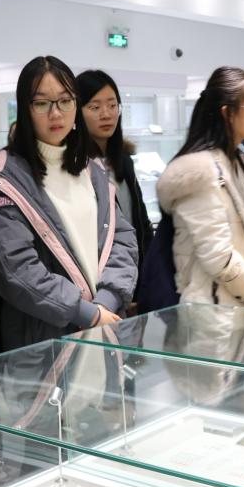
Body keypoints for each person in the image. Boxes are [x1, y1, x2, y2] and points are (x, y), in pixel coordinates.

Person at [0, 55, 137, 349]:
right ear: (25, 109)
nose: (56, 113)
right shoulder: (4, 179)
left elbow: (122, 239)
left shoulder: (92, 171)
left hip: (105, 328)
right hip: (46, 340)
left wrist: (107, 300)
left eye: (65, 101)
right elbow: (17, 270)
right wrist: (86, 313)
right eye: (42, 103)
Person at [156, 66, 244, 307]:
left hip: (241, 307)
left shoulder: (240, 162)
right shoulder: (198, 171)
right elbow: (218, 257)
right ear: (228, 113)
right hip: (214, 313)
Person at [76, 69, 154, 308]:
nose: (106, 114)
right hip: (97, 288)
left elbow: (140, 222)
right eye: (95, 107)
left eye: (112, 105)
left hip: (134, 279)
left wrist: (143, 283)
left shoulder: (123, 161)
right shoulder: (77, 167)